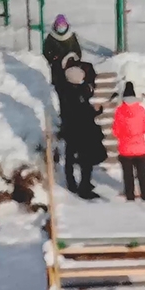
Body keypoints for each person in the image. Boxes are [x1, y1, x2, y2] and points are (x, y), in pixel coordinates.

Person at [58, 59, 106, 200]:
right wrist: (96, 111)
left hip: (70, 129)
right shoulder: (74, 94)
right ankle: (83, 186)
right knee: (86, 159)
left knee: (70, 155)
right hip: (81, 130)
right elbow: (81, 112)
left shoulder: (65, 91)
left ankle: (72, 182)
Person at [110, 82, 145, 202]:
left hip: (125, 149)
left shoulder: (119, 111)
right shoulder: (141, 109)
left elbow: (116, 130)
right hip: (141, 148)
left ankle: (130, 195)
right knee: (143, 175)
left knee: (128, 175)